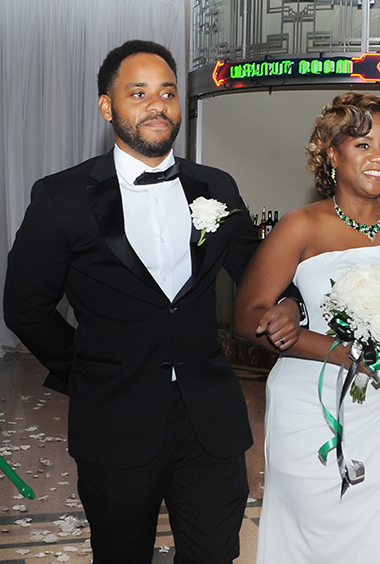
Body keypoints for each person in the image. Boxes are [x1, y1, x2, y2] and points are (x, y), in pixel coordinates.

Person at [3, 40, 299, 563]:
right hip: (114, 422)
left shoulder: (217, 186)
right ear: (107, 106)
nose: (157, 104)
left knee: (212, 554)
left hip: (209, 421)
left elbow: (262, 273)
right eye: (138, 93)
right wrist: (86, 369)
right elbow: (25, 306)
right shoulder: (62, 197)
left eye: (167, 92)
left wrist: (291, 300)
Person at [233, 92, 380, 563]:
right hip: (311, 408)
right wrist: (332, 347)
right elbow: (246, 316)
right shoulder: (301, 227)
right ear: (332, 153)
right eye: (363, 144)